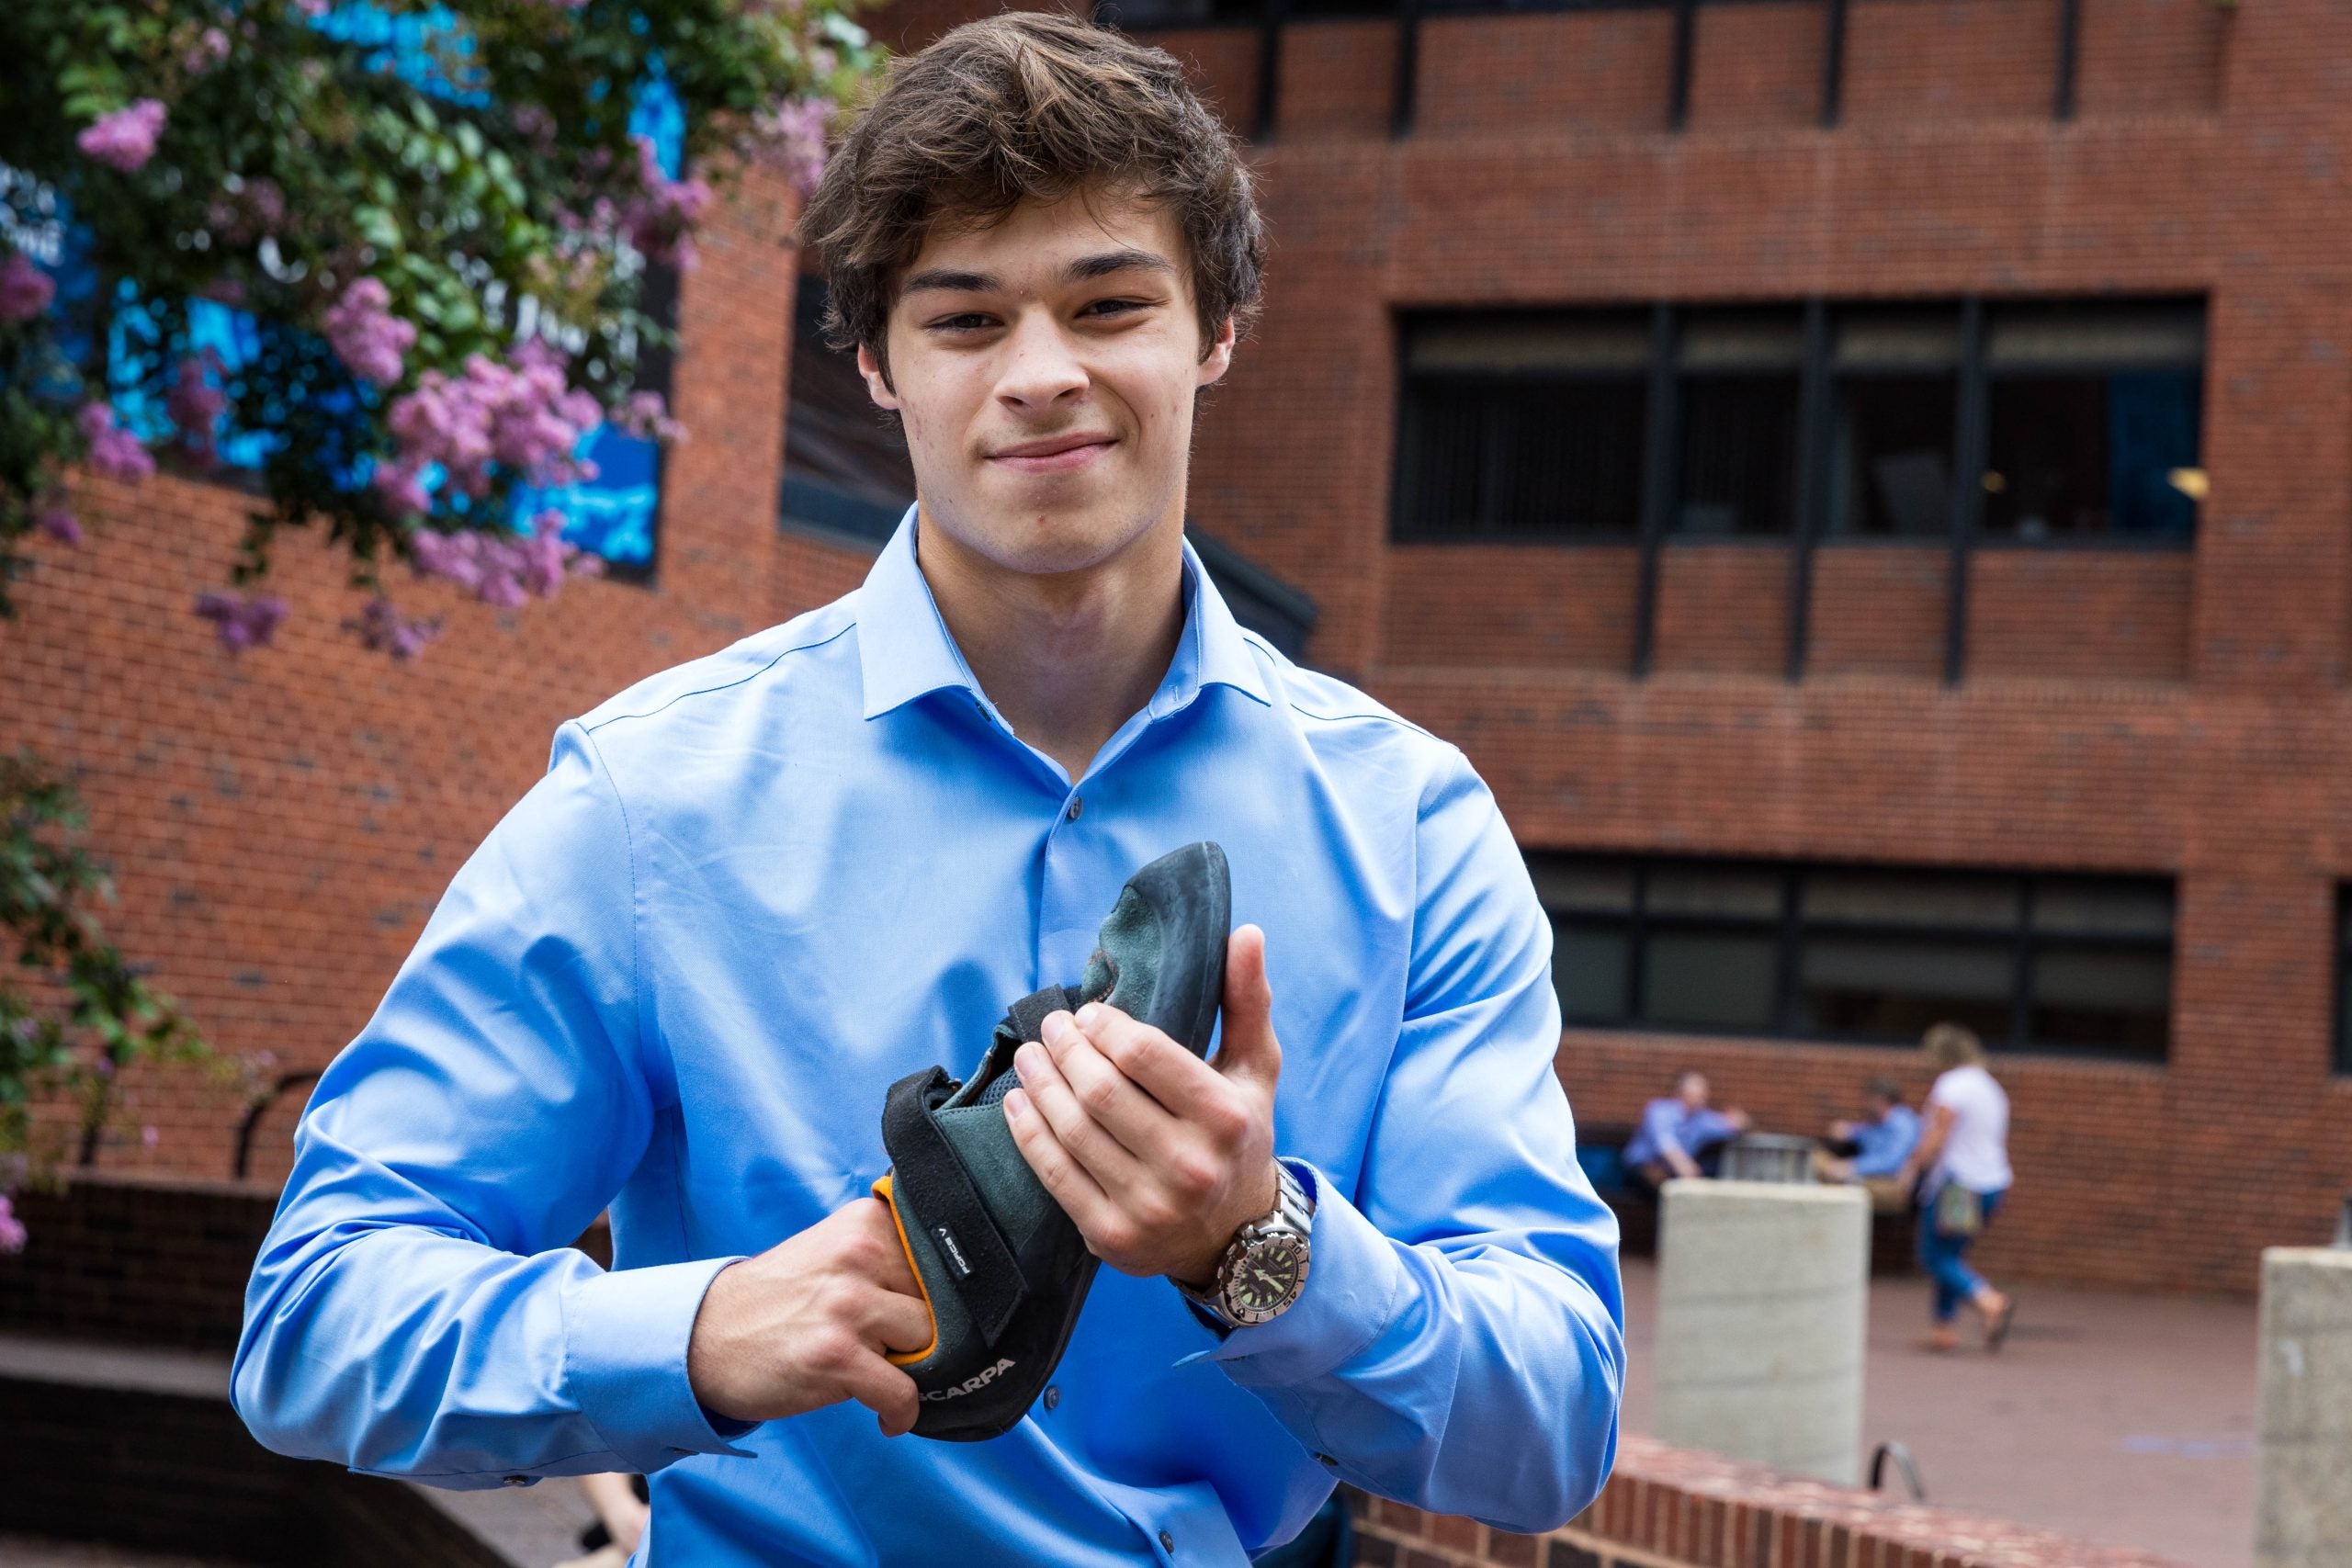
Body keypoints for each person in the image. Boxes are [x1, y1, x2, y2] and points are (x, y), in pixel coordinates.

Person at [229, 16, 1625, 1565]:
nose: (1043, 375)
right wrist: (700, 1329)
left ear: (1215, 329)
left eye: (1110, 301)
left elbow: (1555, 1424)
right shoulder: (649, 804)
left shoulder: (1414, 829)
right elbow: (316, 1316)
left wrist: (1259, 1246)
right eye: (966, 320)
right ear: (879, 360)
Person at [1896, 1023, 2016, 1353]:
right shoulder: (1990, 1087)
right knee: (1951, 1254)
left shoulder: (1952, 1085)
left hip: (1960, 1185)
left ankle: (1989, 1300)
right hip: (1993, 1183)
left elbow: (1938, 1133)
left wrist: (1912, 1167)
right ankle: (1943, 1328)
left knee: (1933, 1256)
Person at [1622, 1071, 1750, 1190]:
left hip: (1676, 1173)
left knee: (1713, 1170)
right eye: (1696, 1095)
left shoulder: (1702, 1118)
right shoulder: (1659, 1110)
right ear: (1681, 1093)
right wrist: (1687, 1169)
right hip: (1642, 1166)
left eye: (1703, 1095)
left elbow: (1729, 1126)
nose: (1700, 1099)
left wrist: (1740, 1121)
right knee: (1656, 1175)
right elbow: (1666, 1144)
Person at [1815, 1077, 1920, 1203]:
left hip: (1890, 1184)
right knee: (1817, 1159)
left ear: (1880, 1099)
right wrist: (1848, 1130)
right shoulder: (1878, 1121)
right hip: (1873, 1177)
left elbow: (1892, 1162)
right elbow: (1866, 1134)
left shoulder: (1902, 1124)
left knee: (1832, 1181)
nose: (1864, 1104)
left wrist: (1851, 1166)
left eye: (1867, 1099)